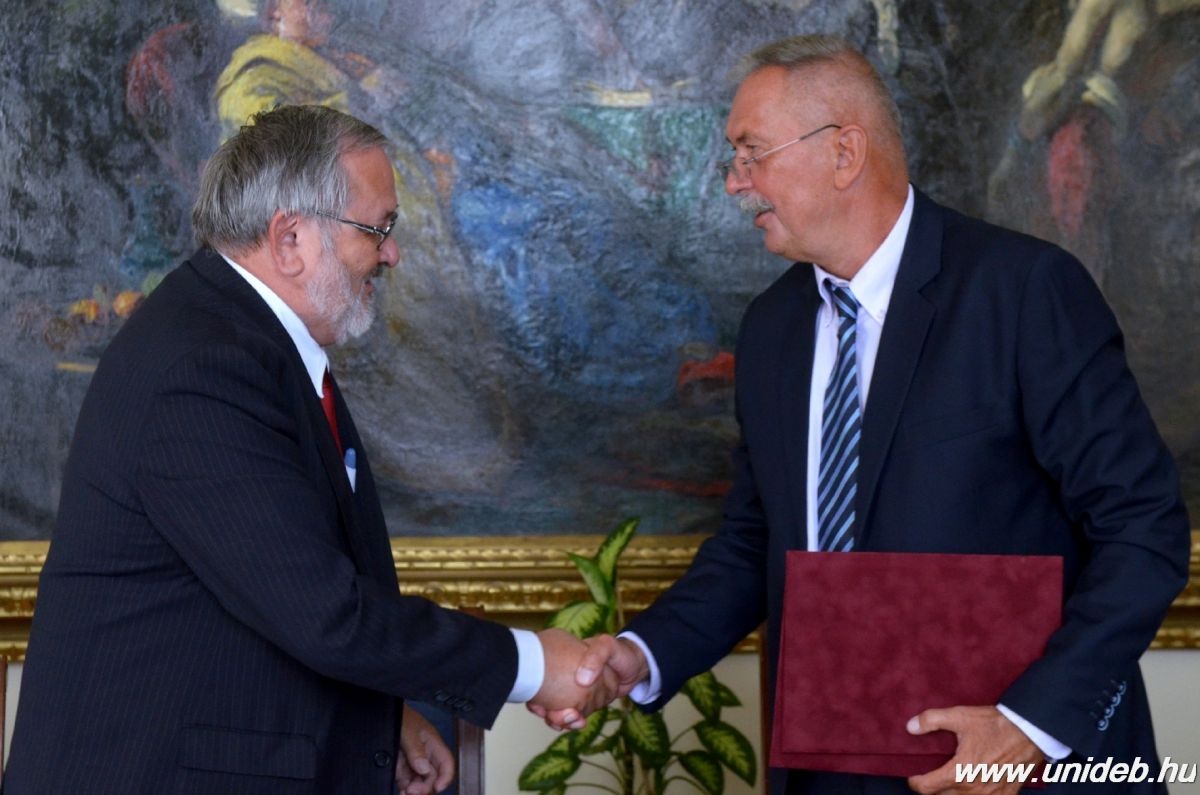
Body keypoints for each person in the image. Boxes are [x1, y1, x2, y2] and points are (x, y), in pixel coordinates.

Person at [535, 35, 1191, 794]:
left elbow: (1142, 526)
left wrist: (1030, 725)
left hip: (1017, 768)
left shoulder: (1022, 291)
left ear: (845, 152)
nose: (734, 182)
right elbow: (757, 543)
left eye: (752, 152)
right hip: (830, 766)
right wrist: (640, 654)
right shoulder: (772, 328)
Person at [4, 104, 613, 795]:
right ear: (290, 238)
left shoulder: (241, 338)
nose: (392, 253)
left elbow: (263, 596)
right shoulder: (203, 368)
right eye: (377, 229)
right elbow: (324, 612)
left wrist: (380, 719)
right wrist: (533, 665)